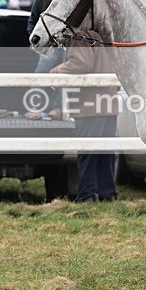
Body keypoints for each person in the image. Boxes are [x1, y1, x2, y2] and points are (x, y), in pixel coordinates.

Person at [50, 30, 119, 203]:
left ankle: (86, 195)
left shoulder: (79, 35)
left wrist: (56, 71)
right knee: (106, 153)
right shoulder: (102, 33)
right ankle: (108, 194)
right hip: (108, 102)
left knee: (87, 152)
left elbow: (81, 63)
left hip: (89, 104)